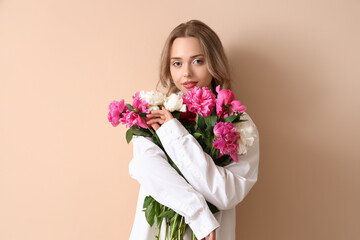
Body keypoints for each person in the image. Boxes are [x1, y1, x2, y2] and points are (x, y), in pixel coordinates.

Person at [128, 20, 259, 240]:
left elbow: (226, 193)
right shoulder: (154, 112)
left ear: (213, 63)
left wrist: (174, 134)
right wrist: (200, 217)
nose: (186, 73)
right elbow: (146, 168)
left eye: (197, 61)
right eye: (177, 63)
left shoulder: (238, 124)